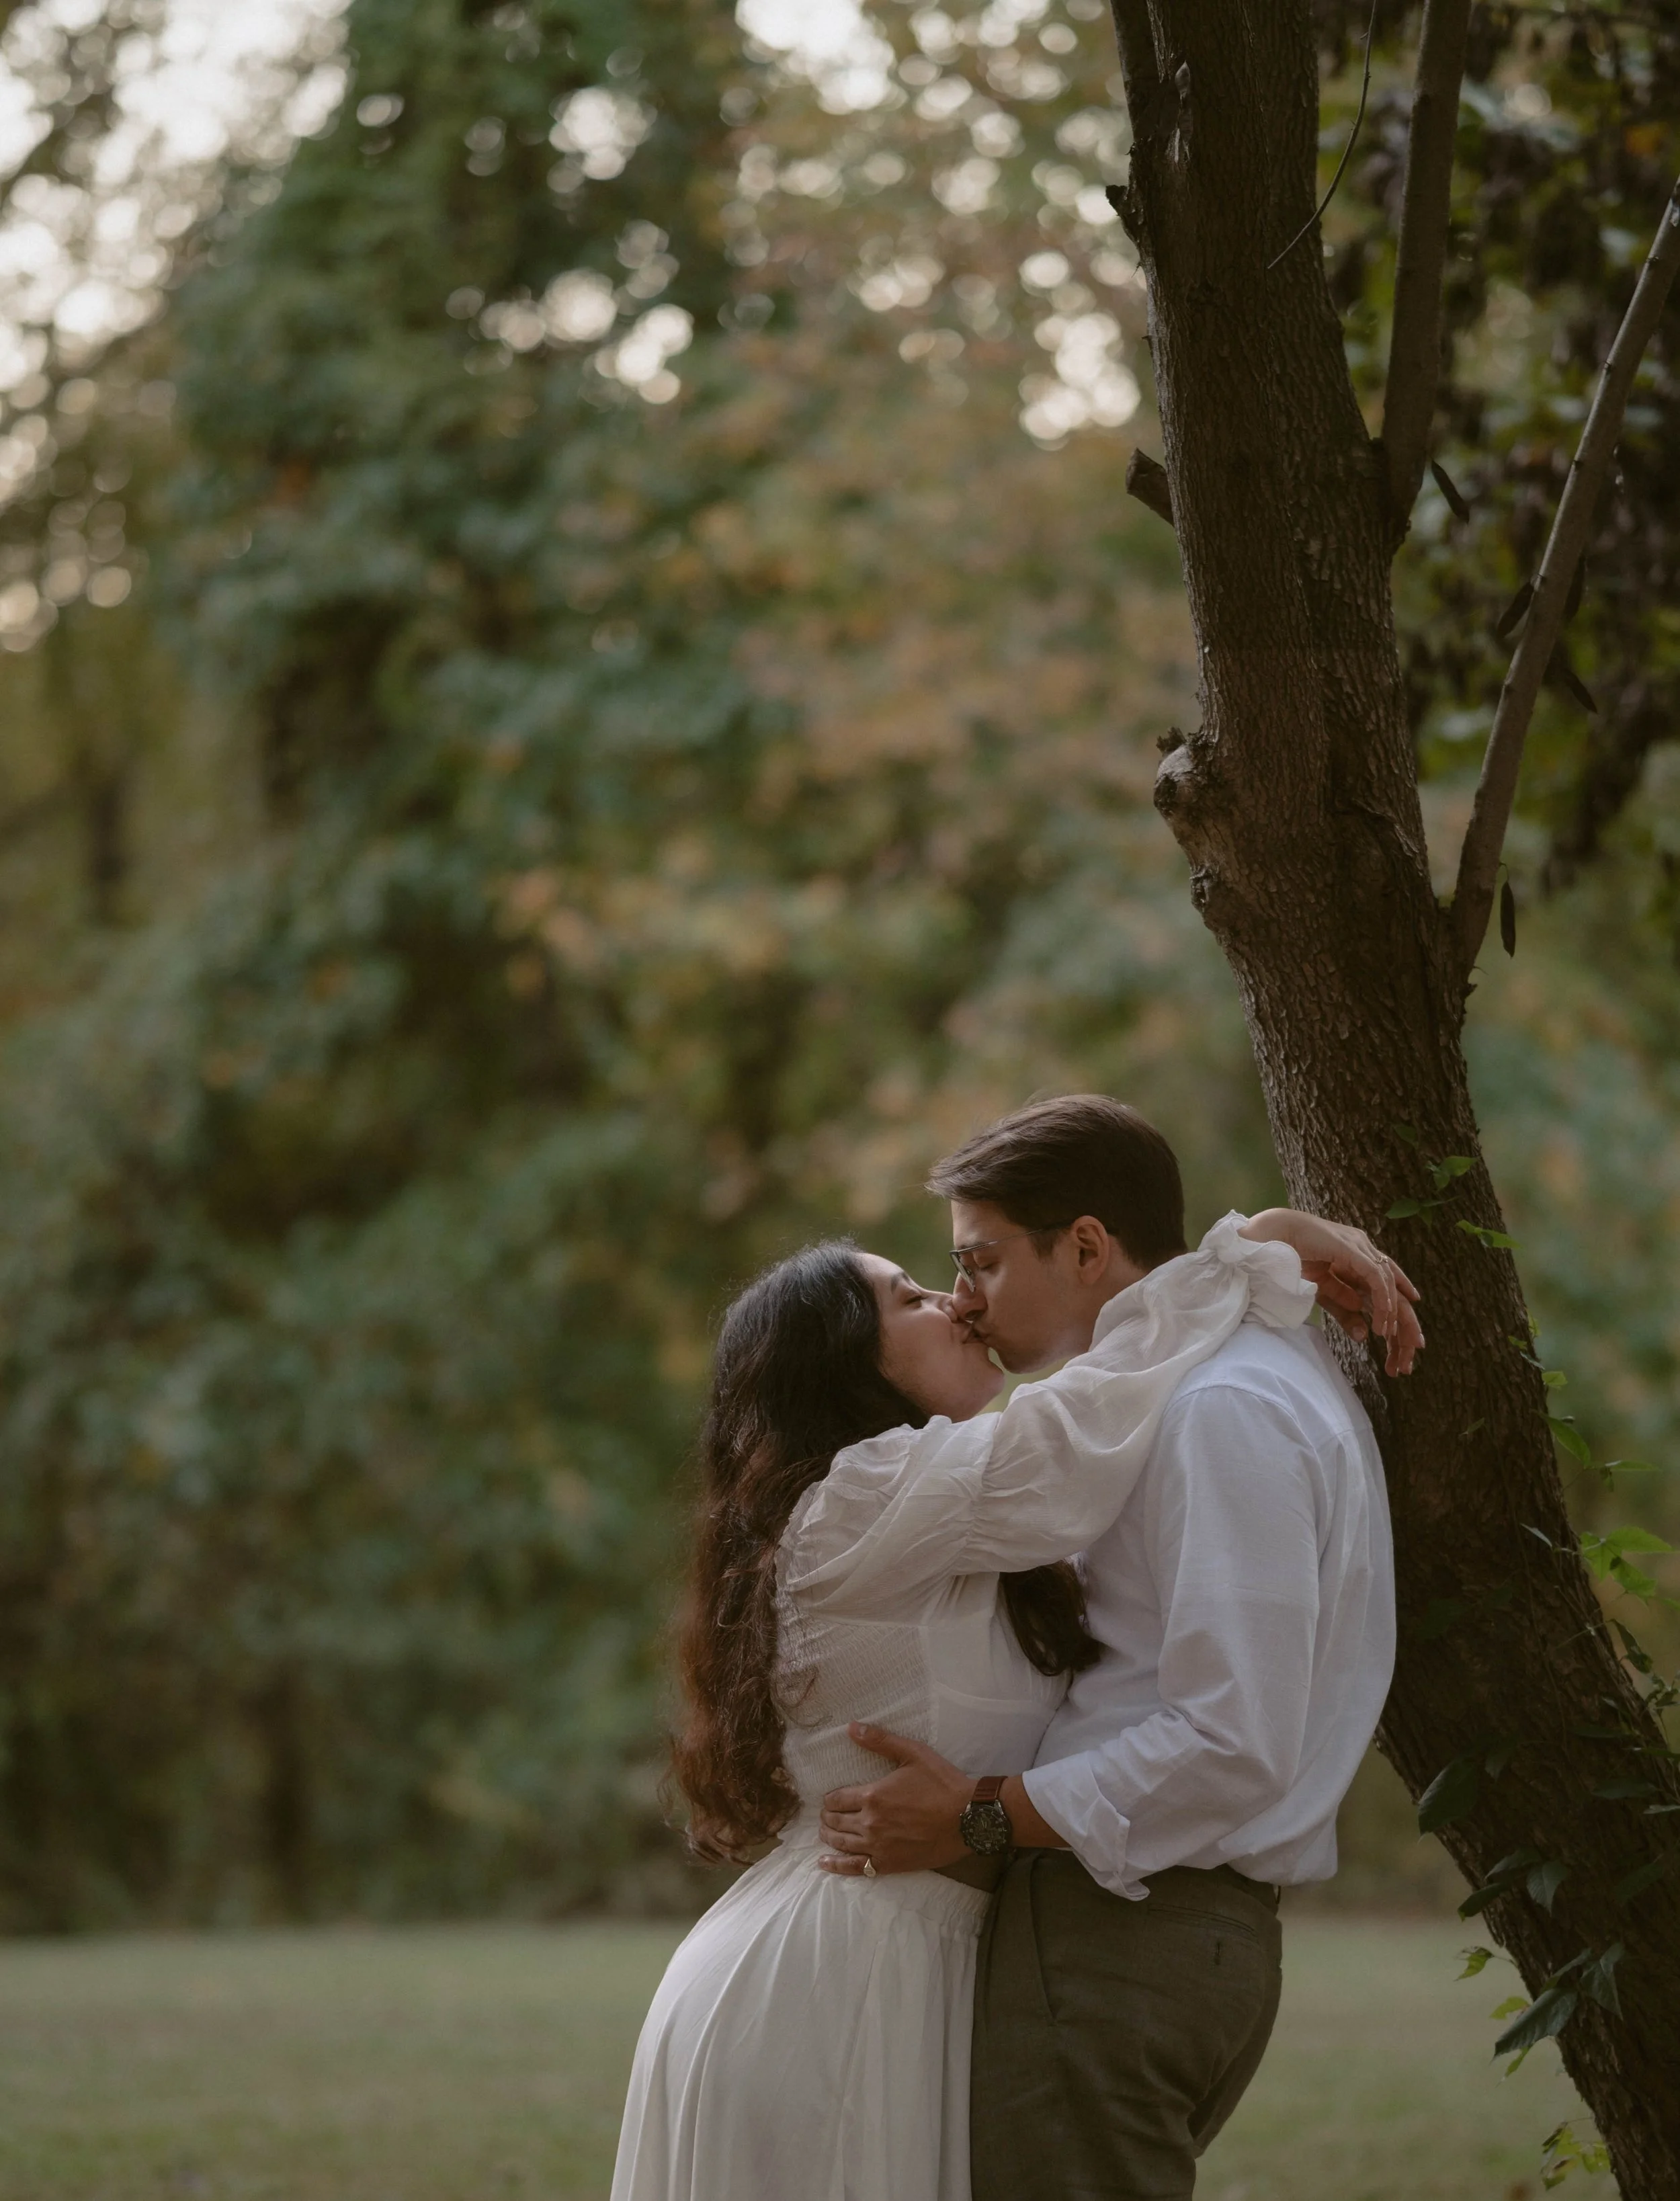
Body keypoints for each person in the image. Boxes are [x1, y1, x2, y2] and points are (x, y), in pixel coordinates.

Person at [609, 1098, 1413, 2201]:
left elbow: (1097, 1436)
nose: (959, 1301)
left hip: (950, 1957)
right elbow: (1083, 1418)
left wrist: (1245, 1255)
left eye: (972, 1263)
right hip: (842, 1969)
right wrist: (1250, 1247)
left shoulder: (995, 1510)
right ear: (849, 1366)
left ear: (1084, 1244)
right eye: (918, 1292)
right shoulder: (863, 1501)